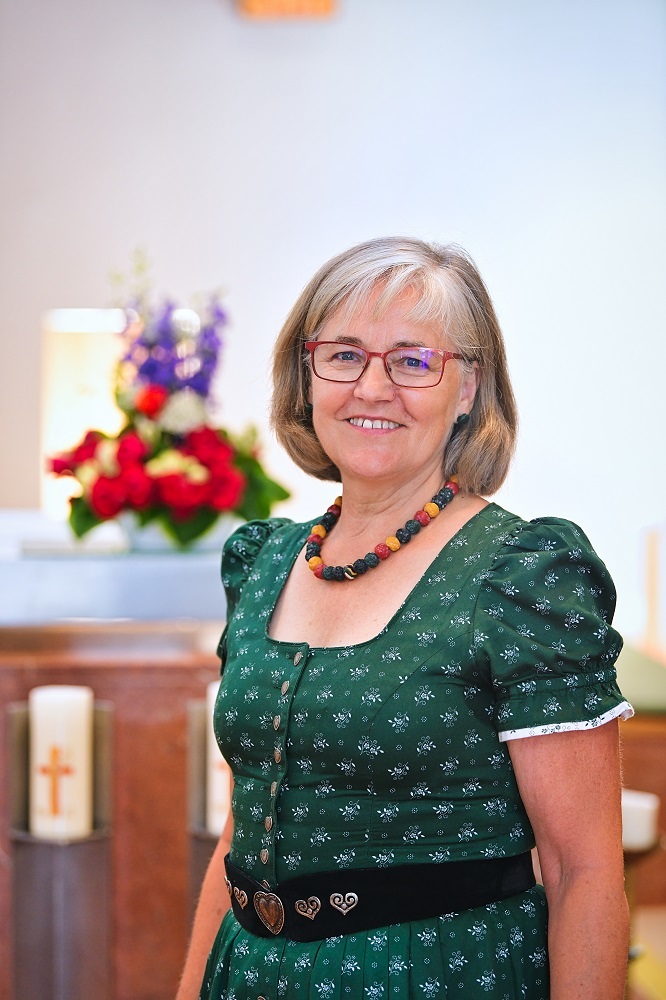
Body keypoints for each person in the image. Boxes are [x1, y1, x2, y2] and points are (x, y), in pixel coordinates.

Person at [177, 237, 633, 1000]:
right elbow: (240, 832)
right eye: (344, 356)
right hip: (251, 974)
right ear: (307, 376)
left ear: (468, 387)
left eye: (413, 361)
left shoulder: (521, 576)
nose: (372, 387)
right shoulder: (262, 564)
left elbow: (581, 872)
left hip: (435, 975)